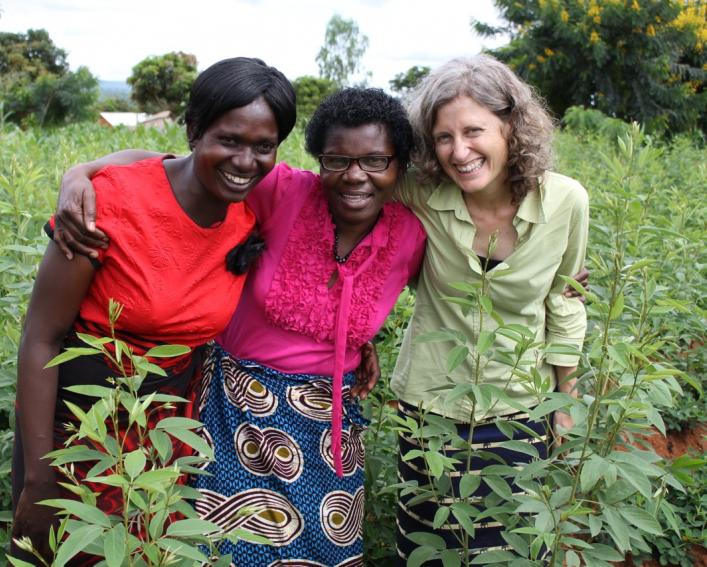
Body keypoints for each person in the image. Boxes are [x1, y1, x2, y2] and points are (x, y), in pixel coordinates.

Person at [52, 88, 425, 565]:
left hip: (329, 428)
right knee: (225, 551)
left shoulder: (411, 235)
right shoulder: (284, 193)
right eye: (337, 159)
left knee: (327, 551)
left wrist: (357, 339)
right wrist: (80, 173)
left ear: (400, 164)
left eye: (376, 160)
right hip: (233, 412)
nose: (355, 175)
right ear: (318, 161)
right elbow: (172, 166)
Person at [12, 56, 296, 563]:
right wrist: (39, 476)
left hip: (164, 443)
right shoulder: (106, 204)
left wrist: (358, 344)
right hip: (76, 433)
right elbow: (41, 338)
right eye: (229, 140)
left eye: (263, 147)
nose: (245, 161)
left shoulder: (248, 222)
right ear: (193, 130)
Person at [389, 54, 590, 562]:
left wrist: (566, 402)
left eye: (474, 131)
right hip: (430, 404)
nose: (460, 151)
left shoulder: (566, 202)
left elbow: (564, 302)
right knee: (427, 540)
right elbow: (342, 181)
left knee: (512, 545)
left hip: (521, 405)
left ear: (512, 127)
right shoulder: (417, 191)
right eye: (443, 137)